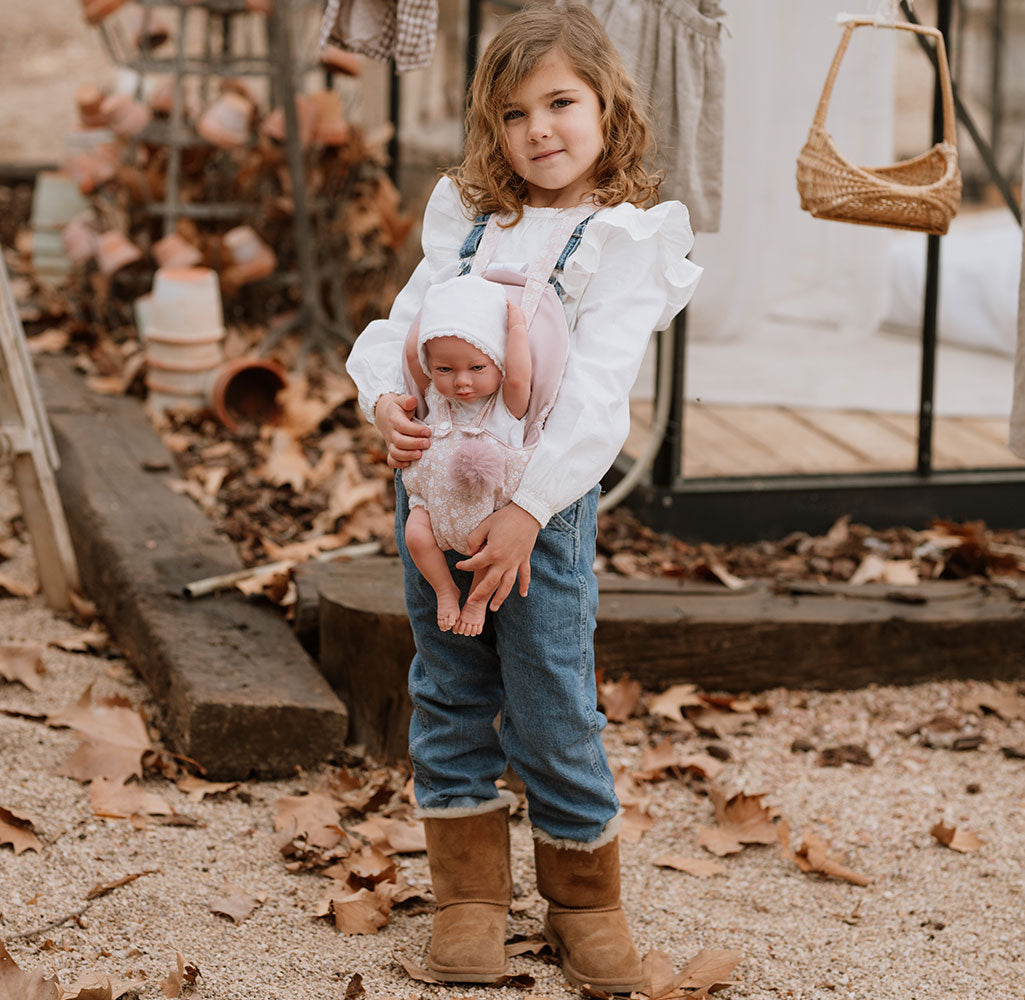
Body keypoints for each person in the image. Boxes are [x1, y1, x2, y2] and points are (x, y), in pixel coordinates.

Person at [346, 2, 701, 992]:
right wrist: (383, 395)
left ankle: (585, 903)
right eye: (512, 113)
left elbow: (591, 398)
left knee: (548, 696)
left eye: (559, 102)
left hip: (539, 513)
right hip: (435, 497)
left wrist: (525, 507)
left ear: (604, 107)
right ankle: (467, 900)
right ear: (489, 127)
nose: (538, 128)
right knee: (449, 684)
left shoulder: (620, 242)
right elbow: (402, 322)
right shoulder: (468, 221)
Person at [402, 275, 534, 637]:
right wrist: (424, 318)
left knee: (485, 555)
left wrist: (517, 331)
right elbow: (414, 358)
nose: (462, 382)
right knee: (414, 535)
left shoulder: (505, 408)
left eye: (477, 368)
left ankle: (475, 601)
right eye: (445, 369)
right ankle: (445, 591)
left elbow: (521, 378)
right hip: (431, 508)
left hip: (484, 519)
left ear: (498, 363)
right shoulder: (436, 397)